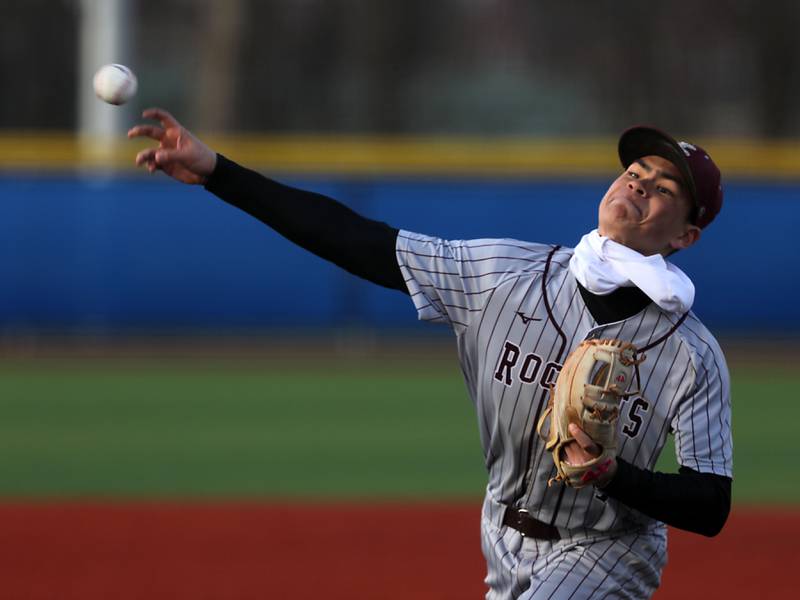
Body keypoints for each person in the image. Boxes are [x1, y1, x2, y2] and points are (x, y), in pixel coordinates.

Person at [128, 109, 732, 600]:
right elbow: (354, 239)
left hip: (608, 553)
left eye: (663, 188)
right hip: (502, 537)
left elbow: (710, 504)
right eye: (634, 170)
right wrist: (216, 171)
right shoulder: (503, 276)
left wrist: (613, 475)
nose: (638, 185)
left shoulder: (691, 354)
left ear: (684, 236)